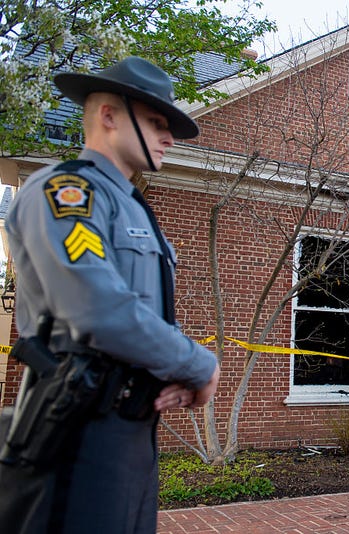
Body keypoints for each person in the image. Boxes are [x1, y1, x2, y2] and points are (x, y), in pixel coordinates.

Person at [0, 57, 220, 533]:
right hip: (75, 430)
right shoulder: (66, 192)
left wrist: (171, 374)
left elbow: (149, 316)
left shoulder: (135, 209)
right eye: (156, 122)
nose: (168, 137)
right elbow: (97, 309)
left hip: (133, 433)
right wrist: (201, 366)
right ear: (108, 116)